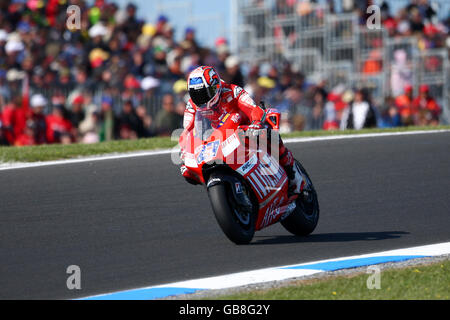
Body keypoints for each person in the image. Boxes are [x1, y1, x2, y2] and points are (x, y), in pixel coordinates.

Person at [179, 66, 303, 194]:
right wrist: (184, 151)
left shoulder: (233, 91)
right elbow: (187, 130)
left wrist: (255, 123)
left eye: (205, 93)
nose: (201, 98)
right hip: (218, 138)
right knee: (189, 174)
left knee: (269, 134)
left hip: (245, 127)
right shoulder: (192, 105)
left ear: (215, 87)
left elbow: (253, 108)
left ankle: (292, 172)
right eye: (196, 94)